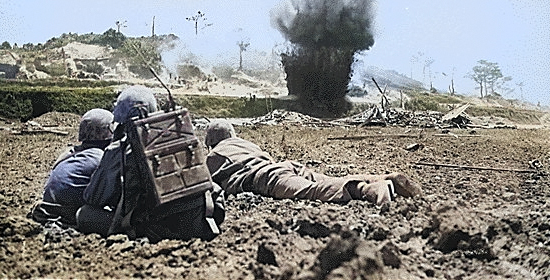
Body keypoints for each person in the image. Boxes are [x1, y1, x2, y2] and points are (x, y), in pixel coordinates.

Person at [77, 85, 225, 242]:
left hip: (157, 229)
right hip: (201, 221)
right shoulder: (182, 134)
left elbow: (94, 197)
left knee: (84, 214)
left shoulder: (119, 148)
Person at [205, 119, 422, 205]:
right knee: (327, 180)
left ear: (212, 141)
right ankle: (381, 178)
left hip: (264, 177)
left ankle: (368, 189)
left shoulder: (214, 155)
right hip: (284, 166)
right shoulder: (247, 144)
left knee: (312, 191)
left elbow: (206, 185)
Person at [31, 108, 114, 227]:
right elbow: (101, 196)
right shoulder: (99, 158)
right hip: (68, 213)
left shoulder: (69, 152)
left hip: (48, 207)